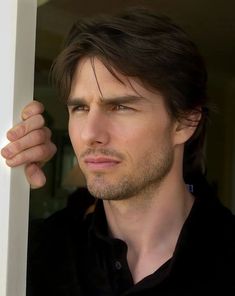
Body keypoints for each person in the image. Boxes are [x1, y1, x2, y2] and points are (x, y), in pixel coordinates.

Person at [1, 7, 235, 295]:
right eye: (80, 108)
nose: (90, 134)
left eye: (121, 107)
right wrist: (6, 178)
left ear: (185, 122)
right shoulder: (36, 253)